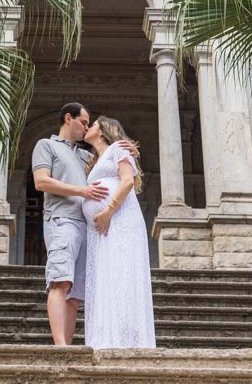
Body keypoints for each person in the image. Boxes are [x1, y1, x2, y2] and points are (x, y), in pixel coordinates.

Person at [81, 116, 156, 349]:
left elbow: (126, 182)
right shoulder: (95, 159)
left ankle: (127, 339)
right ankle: (109, 336)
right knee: (109, 276)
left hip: (120, 220)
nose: (87, 127)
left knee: (122, 272)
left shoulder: (117, 149)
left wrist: (108, 212)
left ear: (103, 130)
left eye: (92, 124)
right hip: (103, 229)